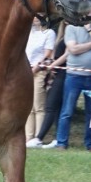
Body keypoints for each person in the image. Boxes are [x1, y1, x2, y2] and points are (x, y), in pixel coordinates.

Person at [54, 21, 91, 150]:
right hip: (73, 76)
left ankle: (90, 144)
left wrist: (90, 30)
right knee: (67, 111)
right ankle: (61, 142)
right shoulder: (71, 27)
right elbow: (73, 49)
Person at [28, 22, 70, 148]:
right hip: (55, 73)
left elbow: (67, 54)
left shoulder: (71, 34)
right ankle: (57, 139)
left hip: (62, 73)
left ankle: (39, 137)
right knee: (56, 108)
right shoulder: (61, 36)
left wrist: (51, 66)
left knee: (50, 106)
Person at [24, 16, 56, 144]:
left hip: (40, 70)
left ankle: (38, 137)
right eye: (34, 16)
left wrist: (37, 67)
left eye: (39, 16)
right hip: (27, 69)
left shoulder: (49, 33)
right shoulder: (30, 32)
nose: (36, 18)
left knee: (39, 105)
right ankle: (28, 137)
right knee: (29, 106)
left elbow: (47, 53)